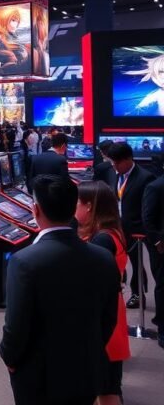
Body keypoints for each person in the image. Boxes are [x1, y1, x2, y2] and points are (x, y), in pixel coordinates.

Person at [0, 176, 120, 405]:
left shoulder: (23, 261)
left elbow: (16, 324)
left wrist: (10, 357)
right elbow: (108, 319)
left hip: (38, 375)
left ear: (35, 210)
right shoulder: (103, 257)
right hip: (86, 369)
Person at [77, 181, 131, 404]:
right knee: (106, 382)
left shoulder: (103, 239)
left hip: (104, 317)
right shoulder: (107, 233)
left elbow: (89, 280)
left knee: (107, 386)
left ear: (89, 206)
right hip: (109, 310)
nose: (74, 208)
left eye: (77, 203)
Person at [104, 142, 155, 308]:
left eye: (117, 163)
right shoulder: (114, 174)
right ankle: (126, 290)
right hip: (118, 226)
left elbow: (149, 207)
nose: (114, 166)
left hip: (138, 230)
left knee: (138, 263)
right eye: (112, 163)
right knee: (120, 260)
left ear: (128, 159)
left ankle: (138, 294)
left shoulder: (145, 178)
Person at [140, 161, 164, 347]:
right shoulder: (155, 187)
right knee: (163, 285)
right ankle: (162, 328)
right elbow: (148, 218)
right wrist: (157, 241)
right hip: (161, 247)